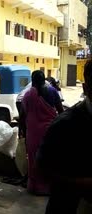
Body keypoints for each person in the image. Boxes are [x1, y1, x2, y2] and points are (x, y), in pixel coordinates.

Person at [37, 60, 92, 214]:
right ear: (86, 89)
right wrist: (83, 183)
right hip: (68, 204)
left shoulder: (30, 93)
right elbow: (43, 168)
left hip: (36, 131)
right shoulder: (64, 125)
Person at [20, 70, 63, 195]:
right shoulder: (52, 91)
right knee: (49, 159)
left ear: (32, 81)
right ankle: (48, 187)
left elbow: (22, 116)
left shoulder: (28, 95)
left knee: (33, 159)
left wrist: (21, 131)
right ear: (44, 80)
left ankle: (35, 187)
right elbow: (61, 112)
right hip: (49, 133)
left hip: (33, 134)